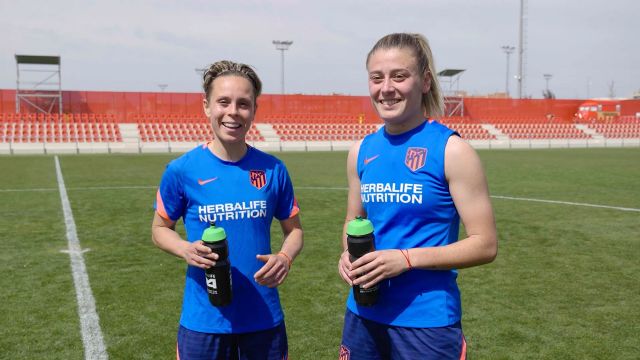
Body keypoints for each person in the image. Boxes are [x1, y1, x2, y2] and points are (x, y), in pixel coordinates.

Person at [338, 33, 497, 359]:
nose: (386, 88)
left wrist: (406, 259)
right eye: (376, 78)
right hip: (363, 313)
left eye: (399, 76)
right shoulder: (361, 151)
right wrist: (347, 255)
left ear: (425, 81)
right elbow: (355, 222)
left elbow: (485, 244)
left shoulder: (452, 151)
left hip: (427, 322)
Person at [151, 60, 303, 360]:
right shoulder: (181, 170)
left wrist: (285, 257)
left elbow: (295, 231)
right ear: (206, 106)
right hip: (204, 321)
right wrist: (184, 249)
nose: (233, 111)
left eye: (243, 104)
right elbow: (159, 229)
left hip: (263, 318)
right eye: (223, 102)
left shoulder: (273, 169)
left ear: (254, 110)